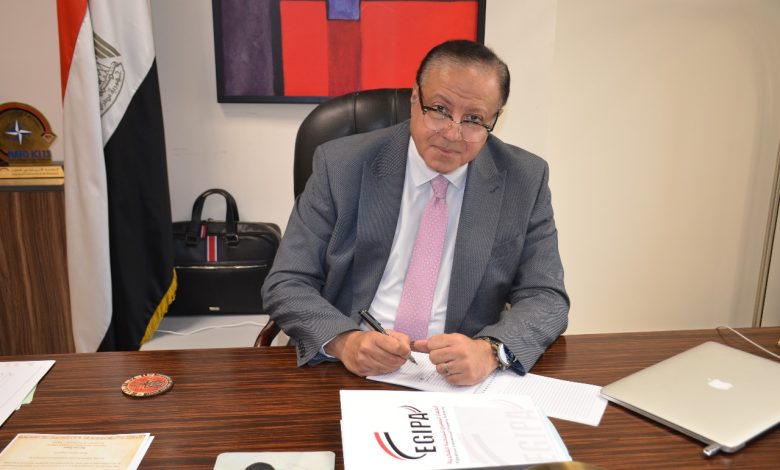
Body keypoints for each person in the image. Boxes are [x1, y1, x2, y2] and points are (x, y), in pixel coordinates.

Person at [261, 39, 568, 386]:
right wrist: (345, 342)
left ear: (495, 119)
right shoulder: (341, 165)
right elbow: (287, 281)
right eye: (439, 109)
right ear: (414, 98)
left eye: (473, 119)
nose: (452, 133)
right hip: (348, 369)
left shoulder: (523, 180)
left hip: (457, 380)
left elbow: (546, 297)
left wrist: (490, 350)